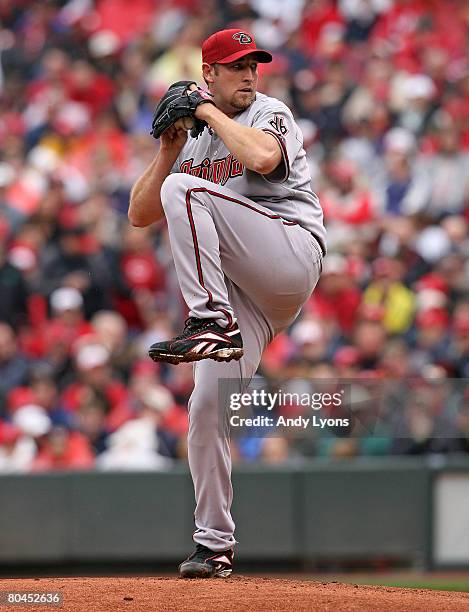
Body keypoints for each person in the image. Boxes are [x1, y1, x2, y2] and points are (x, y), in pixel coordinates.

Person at [128, 28, 326, 578]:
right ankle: (214, 545)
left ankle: (209, 320)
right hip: (249, 301)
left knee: (183, 192)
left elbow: (264, 158)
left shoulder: (269, 112)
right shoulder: (190, 139)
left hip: (288, 252)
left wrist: (209, 115)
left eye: (253, 65)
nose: (249, 74)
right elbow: (138, 215)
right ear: (208, 72)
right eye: (236, 66)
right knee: (206, 409)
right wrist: (170, 147)